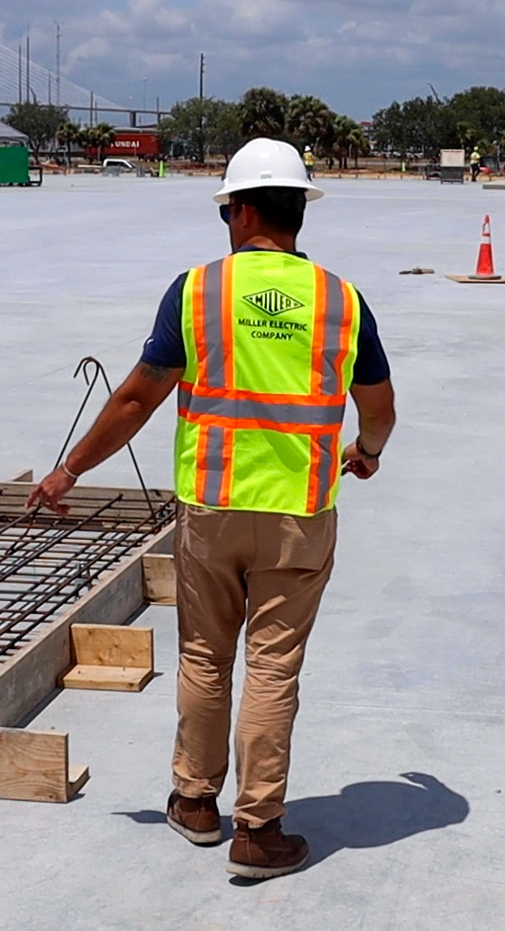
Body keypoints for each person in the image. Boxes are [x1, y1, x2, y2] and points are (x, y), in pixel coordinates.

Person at [28, 137, 396, 880]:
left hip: (213, 507)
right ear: (298, 212)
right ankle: (258, 831)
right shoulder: (340, 301)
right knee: (272, 666)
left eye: (227, 208)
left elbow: (137, 397)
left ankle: (195, 803)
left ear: (244, 209)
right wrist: (368, 451)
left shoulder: (196, 292)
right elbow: (379, 405)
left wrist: (71, 467)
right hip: (299, 514)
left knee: (205, 655)